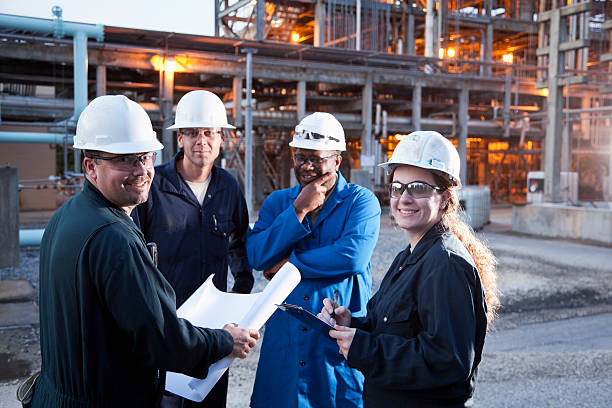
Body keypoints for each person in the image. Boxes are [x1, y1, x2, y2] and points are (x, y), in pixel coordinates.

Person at [32, 95, 259, 408]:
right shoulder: (114, 237)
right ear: (90, 166)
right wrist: (224, 341)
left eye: (145, 157)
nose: (140, 170)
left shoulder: (67, 215)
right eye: (123, 159)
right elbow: (163, 341)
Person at [318, 130, 500, 407]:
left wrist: (363, 347)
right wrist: (352, 325)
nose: (404, 198)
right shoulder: (411, 255)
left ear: (446, 197)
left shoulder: (446, 264)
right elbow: (394, 329)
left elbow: (448, 361)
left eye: (419, 188)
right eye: (397, 187)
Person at [246, 112, 381, 408]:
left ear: (337, 159)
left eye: (316, 158)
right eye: (300, 157)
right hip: (287, 335)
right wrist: (298, 210)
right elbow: (257, 255)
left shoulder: (361, 202)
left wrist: (289, 266)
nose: (306, 166)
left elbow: (352, 256)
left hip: (335, 334)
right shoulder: (279, 202)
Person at [135, 90, 254, 407]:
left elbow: (240, 245)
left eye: (210, 132)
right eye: (192, 132)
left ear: (221, 139)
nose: (202, 140)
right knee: (166, 398)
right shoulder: (154, 186)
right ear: (180, 139)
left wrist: (239, 302)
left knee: (210, 399)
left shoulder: (228, 187)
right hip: (167, 323)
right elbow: (132, 248)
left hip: (215, 325)